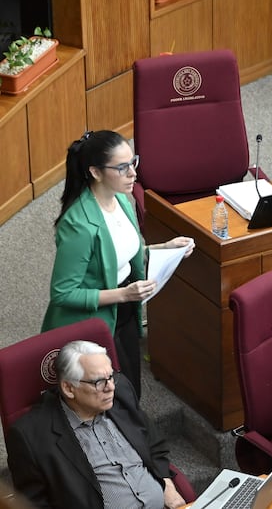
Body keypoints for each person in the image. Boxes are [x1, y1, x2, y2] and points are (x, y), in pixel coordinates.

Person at [42, 130, 195, 399]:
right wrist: (124, 294)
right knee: (108, 393)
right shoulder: (78, 225)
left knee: (129, 385)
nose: (133, 174)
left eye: (133, 162)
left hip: (123, 306)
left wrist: (162, 248)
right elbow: (63, 293)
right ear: (96, 172)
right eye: (122, 167)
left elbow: (118, 253)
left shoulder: (123, 200)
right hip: (93, 319)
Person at [6, 340, 185, 509]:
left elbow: (154, 446)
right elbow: (33, 504)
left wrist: (168, 487)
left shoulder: (121, 393)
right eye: (98, 381)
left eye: (111, 376)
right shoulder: (30, 435)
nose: (110, 387)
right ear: (69, 388)